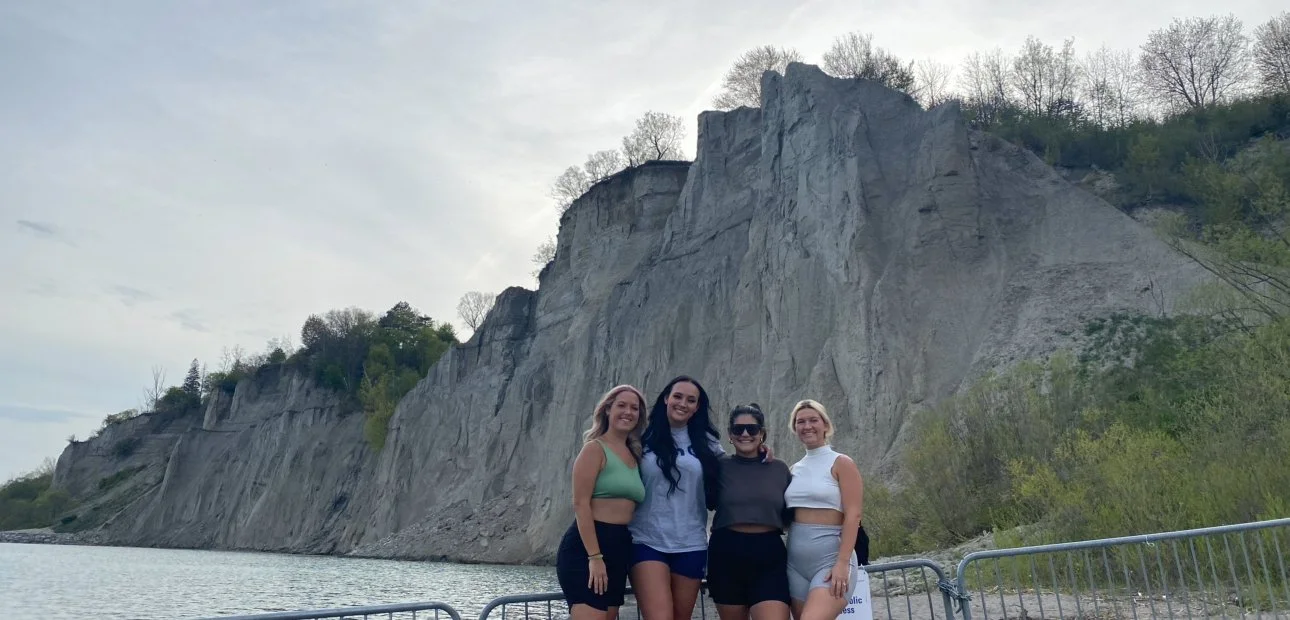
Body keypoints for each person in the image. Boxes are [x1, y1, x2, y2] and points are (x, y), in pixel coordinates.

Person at [627, 375, 726, 620]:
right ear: (665, 399)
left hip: (691, 543)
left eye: (691, 400)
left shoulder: (708, 442)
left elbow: (736, 470)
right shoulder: (641, 438)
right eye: (678, 396)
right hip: (646, 541)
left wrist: (762, 451)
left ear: (697, 407)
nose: (683, 403)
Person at [556, 385, 649, 620]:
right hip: (587, 547)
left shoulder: (635, 454)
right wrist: (595, 557)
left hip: (619, 545)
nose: (628, 412)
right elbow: (580, 504)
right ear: (607, 410)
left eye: (634, 408)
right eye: (621, 405)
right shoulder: (594, 449)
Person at [706, 403, 793, 620]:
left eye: (752, 429)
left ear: (762, 434)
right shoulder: (718, 467)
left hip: (769, 553)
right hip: (726, 552)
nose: (745, 434)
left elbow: (794, 513)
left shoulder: (779, 469)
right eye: (738, 429)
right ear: (729, 435)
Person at [782, 399, 864, 620]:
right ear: (794, 428)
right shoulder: (793, 469)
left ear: (825, 425)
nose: (807, 426)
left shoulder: (841, 463)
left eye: (813, 420)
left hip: (830, 561)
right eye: (800, 422)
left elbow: (853, 514)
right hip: (795, 565)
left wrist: (842, 563)